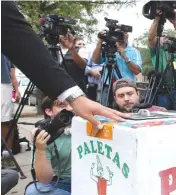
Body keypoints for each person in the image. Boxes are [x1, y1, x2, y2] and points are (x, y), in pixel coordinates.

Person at [1, 1, 129, 131]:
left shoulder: (79, 50)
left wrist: (72, 49)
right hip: (52, 93)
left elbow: (83, 65)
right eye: (60, 31)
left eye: (65, 32)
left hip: (71, 90)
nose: (62, 35)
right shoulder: (47, 50)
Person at [25, 97, 72, 195]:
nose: (69, 109)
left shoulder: (84, 124)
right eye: (62, 105)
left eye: (72, 104)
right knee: (32, 192)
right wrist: (40, 149)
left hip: (87, 181)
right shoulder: (44, 134)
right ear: (49, 111)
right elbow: (44, 179)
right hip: (60, 183)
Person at [92, 27, 142, 106]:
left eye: (124, 33)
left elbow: (137, 71)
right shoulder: (108, 48)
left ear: (127, 35)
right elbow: (95, 60)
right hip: (107, 86)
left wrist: (125, 57)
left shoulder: (134, 51)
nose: (121, 35)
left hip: (126, 86)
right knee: (105, 111)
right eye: (118, 33)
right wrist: (100, 42)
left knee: (127, 110)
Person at [147, 9, 176, 110]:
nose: (166, 37)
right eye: (163, 36)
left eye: (167, 36)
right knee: (162, 114)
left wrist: (175, 23)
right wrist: (156, 19)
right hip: (161, 88)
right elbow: (151, 38)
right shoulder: (156, 51)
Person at [1, 54, 20, 154]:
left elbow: (13, 75)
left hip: (4, 85)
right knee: (5, 121)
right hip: (4, 86)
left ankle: (7, 154)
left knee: (5, 121)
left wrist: (16, 90)